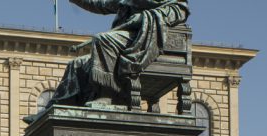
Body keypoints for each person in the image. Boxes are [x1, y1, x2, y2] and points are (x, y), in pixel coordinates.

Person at [45, 0, 190, 110]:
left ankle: (107, 94)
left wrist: (142, 18)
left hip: (146, 39)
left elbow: (177, 11)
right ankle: (59, 105)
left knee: (103, 40)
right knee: (77, 64)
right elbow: (101, 4)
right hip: (130, 38)